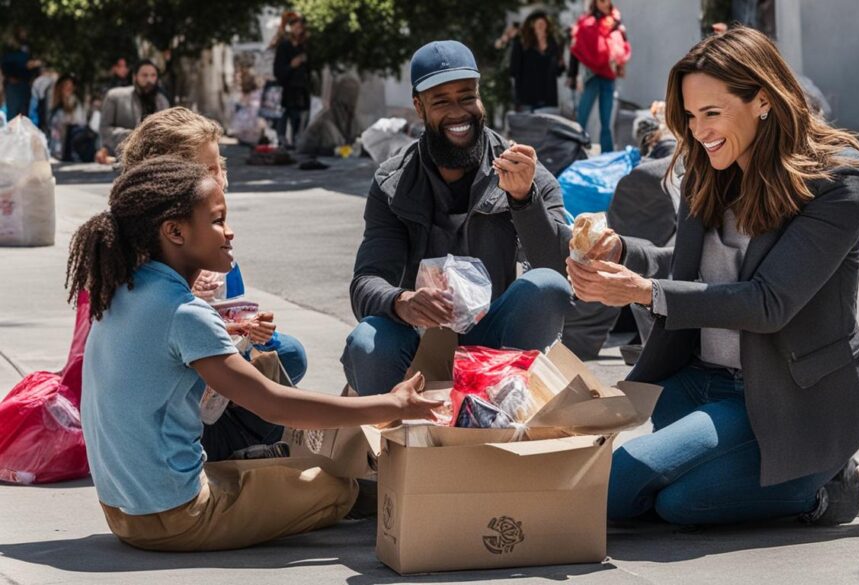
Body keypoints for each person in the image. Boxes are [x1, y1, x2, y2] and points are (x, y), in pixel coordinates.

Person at [566, 27, 859, 527]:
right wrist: (625, 253)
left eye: (711, 113)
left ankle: (847, 485)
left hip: (785, 399)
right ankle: (782, 481)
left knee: (653, 499)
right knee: (646, 499)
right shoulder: (708, 163)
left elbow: (768, 303)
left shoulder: (840, 181)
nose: (698, 131)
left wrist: (646, 293)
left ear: (762, 99)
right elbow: (695, 268)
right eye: (691, 116)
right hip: (696, 384)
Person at [68, 156, 441, 552]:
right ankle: (409, 503)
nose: (229, 233)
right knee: (335, 487)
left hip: (123, 509)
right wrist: (392, 403)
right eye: (217, 221)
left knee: (290, 465)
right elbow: (273, 403)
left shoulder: (124, 290)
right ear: (174, 231)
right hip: (176, 516)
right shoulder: (185, 312)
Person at [342, 40, 573, 396]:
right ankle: (394, 442)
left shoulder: (522, 169)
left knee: (546, 285)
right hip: (419, 345)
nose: (458, 112)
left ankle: (506, 410)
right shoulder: (393, 183)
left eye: (467, 97)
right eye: (441, 101)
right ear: (419, 107)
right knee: (367, 340)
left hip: (496, 344)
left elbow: (558, 271)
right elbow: (366, 281)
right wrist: (403, 302)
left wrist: (524, 200)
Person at [116, 106, 310, 461]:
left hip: (181, 397)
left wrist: (241, 326)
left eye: (219, 164)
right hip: (171, 449)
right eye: (208, 170)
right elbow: (174, 338)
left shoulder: (190, 235)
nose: (219, 176)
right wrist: (383, 407)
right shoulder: (156, 279)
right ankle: (226, 445)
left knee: (287, 354)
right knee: (324, 485)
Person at [568, 0, 631, 152]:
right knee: (581, 117)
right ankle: (574, 152)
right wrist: (573, 75)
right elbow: (576, 49)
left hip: (608, 76)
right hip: (592, 76)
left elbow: (621, 44)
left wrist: (621, 66)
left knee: (606, 122)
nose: (604, 4)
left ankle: (607, 156)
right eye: (600, 1)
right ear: (595, 3)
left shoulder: (615, 21)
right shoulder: (586, 22)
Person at [97, 59, 169, 164]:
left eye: (153, 75)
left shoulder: (162, 101)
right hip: (120, 160)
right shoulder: (115, 96)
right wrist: (135, 137)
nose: (149, 79)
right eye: (144, 75)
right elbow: (105, 129)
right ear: (135, 77)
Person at [509, 10, 564, 112]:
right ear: (532, 26)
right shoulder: (521, 43)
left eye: (543, 24)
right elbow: (514, 70)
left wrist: (561, 65)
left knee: (545, 127)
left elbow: (558, 71)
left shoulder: (553, 43)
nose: (541, 27)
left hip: (548, 97)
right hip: (527, 97)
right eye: (538, 24)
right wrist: (517, 97)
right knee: (527, 126)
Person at [272, 12, 311, 149]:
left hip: (301, 89)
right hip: (286, 89)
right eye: (295, 26)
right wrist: (291, 65)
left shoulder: (304, 46)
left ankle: (296, 142)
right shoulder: (284, 46)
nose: (298, 29)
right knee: (285, 115)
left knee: (299, 117)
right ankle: (283, 141)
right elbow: (278, 70)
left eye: (300, 26)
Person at [47, 74, 94, 162]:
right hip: (57, 145)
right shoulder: (55, 104)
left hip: (71, 145)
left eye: (70, 86)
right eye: (66, 85)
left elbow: (80, 121)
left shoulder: (75, 102)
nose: (69, 88)